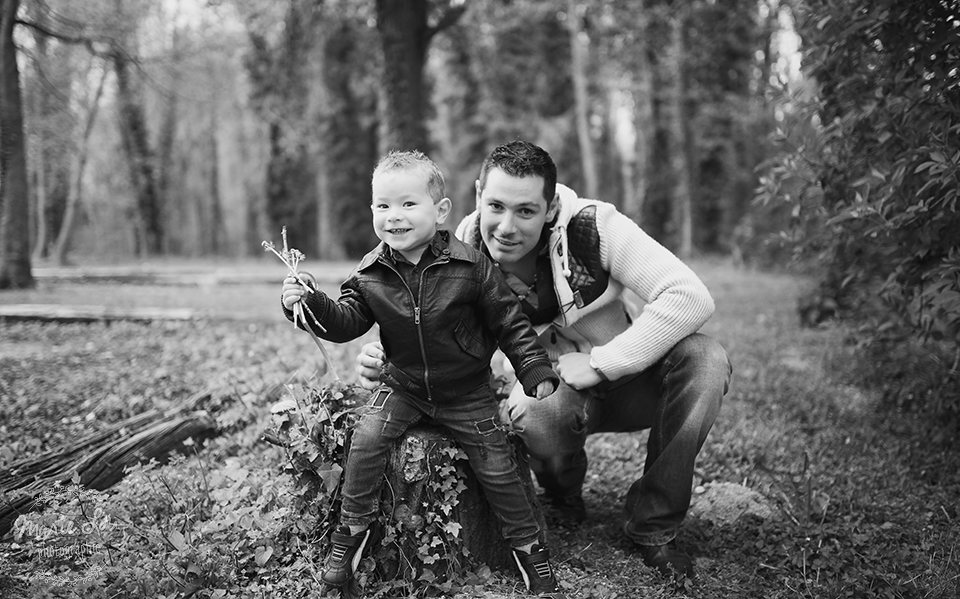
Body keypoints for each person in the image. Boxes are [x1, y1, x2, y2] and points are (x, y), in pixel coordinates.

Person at [357, 140, 732, 579]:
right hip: (552, 390)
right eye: (495, 206)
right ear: (478, 193)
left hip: (632, 379)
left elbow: (690, 296)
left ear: (551, 207)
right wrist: (390, 357)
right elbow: (425, 334)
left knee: (706, 359)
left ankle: (654, 526)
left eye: (526, 211)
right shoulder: (455, 252)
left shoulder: (595, 226)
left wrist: (603, 362)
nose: (506, 227)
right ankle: (561, 489)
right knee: (538, 410)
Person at [281, 150, 567, 598]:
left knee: (497, 466)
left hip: (467, 390)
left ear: (441, 211)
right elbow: (345, 320)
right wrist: (307, 302)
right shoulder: (371, 272)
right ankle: (347, 545)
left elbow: (508, 320)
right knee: (367, 441)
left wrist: (532, 367)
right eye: (383, 206)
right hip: (404, 385)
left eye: (408, 204)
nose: (394, 216)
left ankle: (531, 554)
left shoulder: (471, 266)